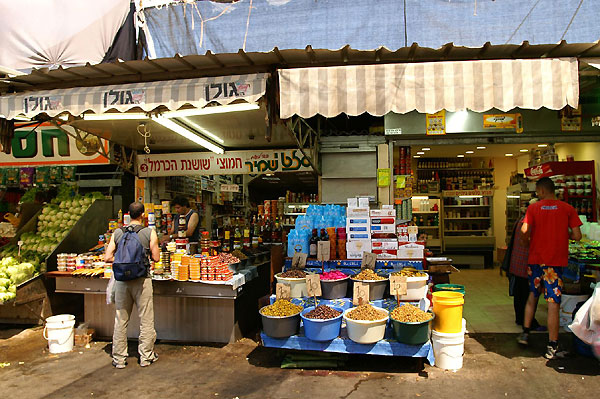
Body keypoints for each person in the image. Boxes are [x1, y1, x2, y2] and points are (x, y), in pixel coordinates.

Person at [519, 177, 582, 359]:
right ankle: (552, 345)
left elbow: (524, 231)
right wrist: (564, 234)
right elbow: (577, 236)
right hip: (554, 262)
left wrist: (526, 242)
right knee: (553, 303)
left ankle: (525, 332)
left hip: (536, 260)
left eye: (537, 192)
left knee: (533, 295)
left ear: (541, 191)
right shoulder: (567, 209)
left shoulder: (533, 208)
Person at [105, 202, 160, 368]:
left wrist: (123, 261)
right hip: (142, 280)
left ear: (128, 214)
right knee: (146, 320)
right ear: (143, 215)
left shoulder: (118, 232)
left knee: (121, 320)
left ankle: (119, 359)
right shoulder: (149, 232)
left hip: (122, 281)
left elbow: (107, 257)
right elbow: (156, 258)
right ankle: (146, 357)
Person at [505, 199, 543, 330]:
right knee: (527, 294)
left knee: (519, 293)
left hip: (517, 262)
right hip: (525, 264)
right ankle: (528, 322)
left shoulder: (521, 219)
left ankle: (520, 318)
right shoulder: (529, 222)